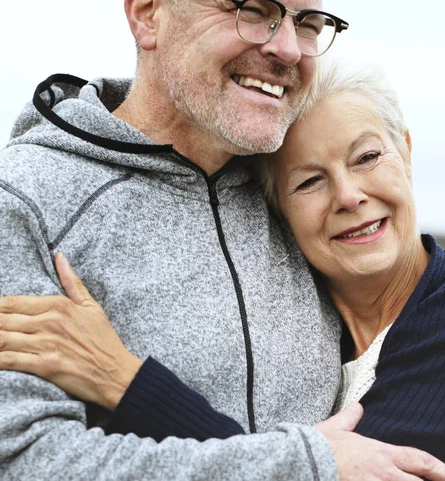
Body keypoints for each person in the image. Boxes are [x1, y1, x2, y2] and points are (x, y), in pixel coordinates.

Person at [0, 0, 443, 480]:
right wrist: (304, 466)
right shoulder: (26, 201)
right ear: (147, 12)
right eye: (252, 8)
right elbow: (24, 461)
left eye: (307, 22)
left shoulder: (289, 195)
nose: (286, 48)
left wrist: (127, 382)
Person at [4, 62, 445, 466]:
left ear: (404, 152)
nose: (349, 196)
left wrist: (125, 380)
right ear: (276, 208)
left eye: (367, 157)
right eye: (310, 181)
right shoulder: (292, 313)